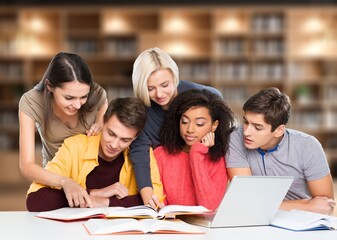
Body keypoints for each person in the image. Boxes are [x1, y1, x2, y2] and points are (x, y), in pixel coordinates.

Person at [26, 97, 164, 212]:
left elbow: (154, 201)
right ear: (102, 121)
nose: (115, 145)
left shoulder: (143, 153)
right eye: (111, 134)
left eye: (125, 140)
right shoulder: (75, 146)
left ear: (135, 138)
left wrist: (105, 202)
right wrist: (92, 193)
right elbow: (35, 200)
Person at [130, 47, 223, 207]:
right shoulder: (142, 113)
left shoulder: (199, 94)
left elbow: (218, 106)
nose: (159, 94)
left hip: (203, 169)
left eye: (165, 85)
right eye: (150, 88)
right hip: (168, 181)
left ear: (174, 76)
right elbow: (139, 153)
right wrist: (147, 194)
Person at [226, 87, 336, 215]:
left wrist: (264, 206)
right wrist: (306, 205)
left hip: (300, 220)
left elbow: (326, 206)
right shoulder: (235, 138)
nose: (247, 132)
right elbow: (246, 200)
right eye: (246, 122)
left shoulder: (308, 146)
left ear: (279, 130)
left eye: (257, 127)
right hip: (256, 219)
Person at [19, 52, 108, 207]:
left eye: (83, 97)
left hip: (92, 173)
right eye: (69, 98)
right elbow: (27, 165)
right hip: (57, 176)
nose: (78, 105)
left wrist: (100, 121)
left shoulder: (95, 94)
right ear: (49, 86)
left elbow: (103, 99)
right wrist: (65, 181)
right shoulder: (32, 102)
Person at [152, 89, 235, 210]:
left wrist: (196, 154)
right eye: (184, 121)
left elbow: (209, 207)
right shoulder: (160, 154)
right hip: (167, 225)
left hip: (202, 227)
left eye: (199, 124)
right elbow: (159, 205)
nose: (190, 129)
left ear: (214, 125)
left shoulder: (219, 160)